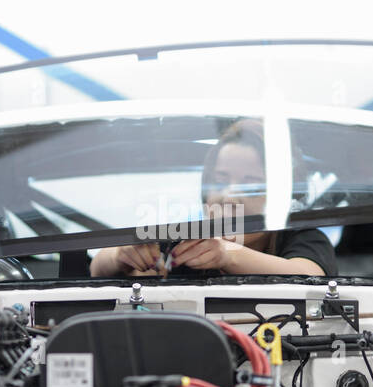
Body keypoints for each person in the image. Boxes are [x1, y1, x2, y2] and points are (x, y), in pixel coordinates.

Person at [90, 119, 336, 277]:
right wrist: (120, 256)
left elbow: (309, 276)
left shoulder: (302, 238)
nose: (229, 195)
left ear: (282, 196)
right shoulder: (187, 240)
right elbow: (97, 268)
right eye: (220, 180)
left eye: (251, 183)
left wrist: (228, 254)